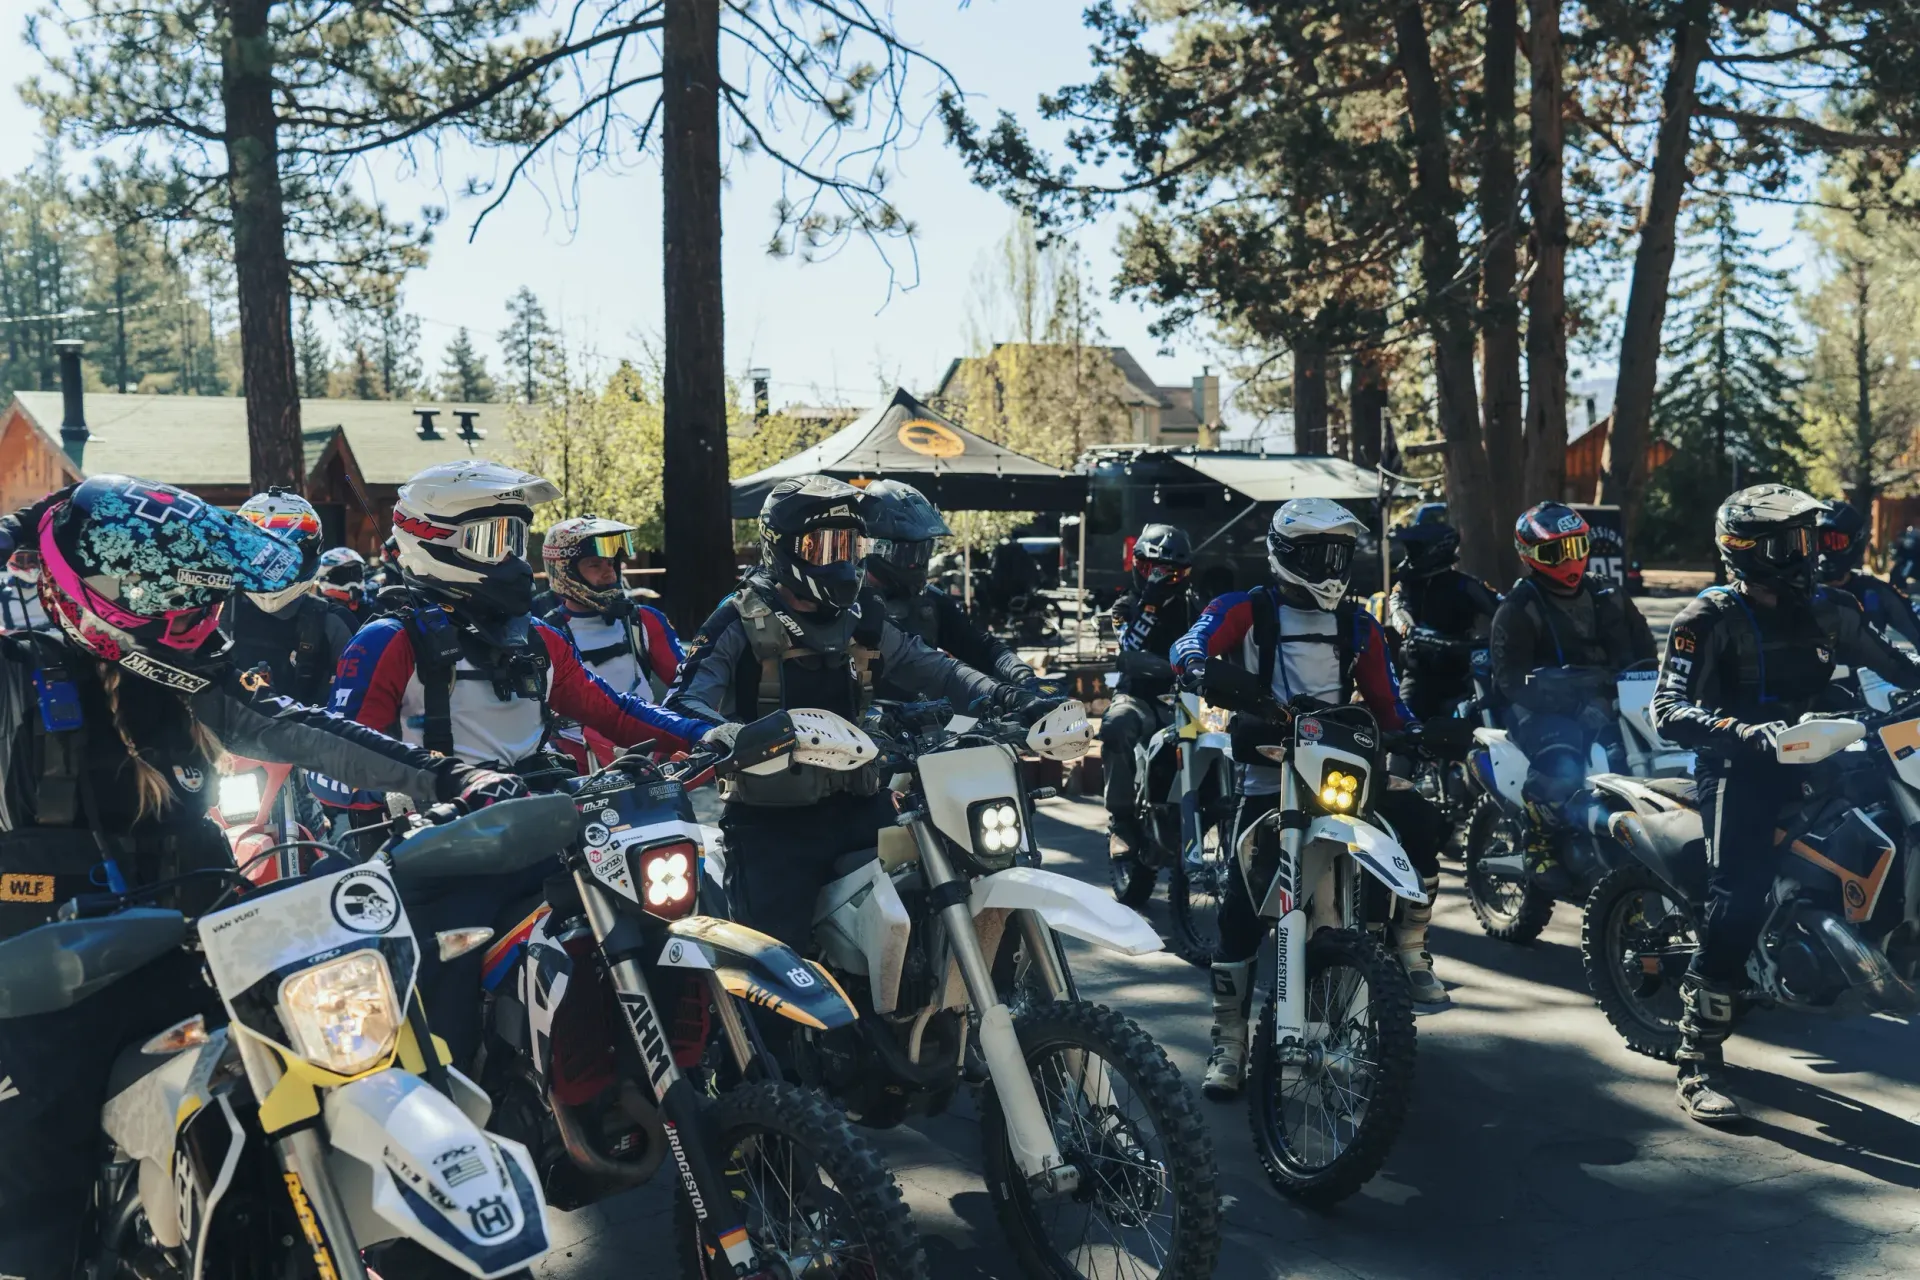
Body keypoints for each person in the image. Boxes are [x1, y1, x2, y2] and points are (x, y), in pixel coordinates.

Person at [0, 475, 525, 1279]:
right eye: (178, 601)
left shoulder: (180, 662)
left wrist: (448, 777)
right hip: (45, 963)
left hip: (197, 927)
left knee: (336, 1047)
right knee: (39, 1154)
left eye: (202, 601)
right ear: (111, 592)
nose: (196, 619)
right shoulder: (14, 666)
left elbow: (292, 725)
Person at [666, 475, 1044, 955]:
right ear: (782, 547)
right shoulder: (739, 617)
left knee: (934, 914)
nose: (841, 561)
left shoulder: (863, 615)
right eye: (824, 547)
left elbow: (937, 668)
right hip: (773, 826)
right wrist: (731, 735)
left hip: (865, 806)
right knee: (778, 968)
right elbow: (684, 702)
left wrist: (1009, 697)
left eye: (849, 546)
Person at [1651, 485, 1920, 1123]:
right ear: (1747, 549)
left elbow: (1900, 665)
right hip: (1739, 767)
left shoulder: (1832, 609)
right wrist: (1744, 733)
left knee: (1892, 828)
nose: (1807, 552)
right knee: (1738, 895)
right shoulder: (1706, 619)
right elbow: (1667, 708)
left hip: (1825, 752)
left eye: (1809, 538)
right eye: (1790, 542)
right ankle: (1697, 1054)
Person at [1173, 498, 1452, 1098]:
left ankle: (1411, 946)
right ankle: (1229, 1041)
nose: (1331, 567)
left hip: (1343, 775)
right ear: (1284, 555)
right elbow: (1191, 643)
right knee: (1240, 913)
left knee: (1423, 821)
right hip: (1270, 778)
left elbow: (1388, 705)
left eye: (1339, 555)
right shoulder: (1245, 609)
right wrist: (1199, 667)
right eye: (1317, 554)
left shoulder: (1359, 625)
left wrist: (1420, 733)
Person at [325, 461, 707, 777]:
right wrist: (428, 788)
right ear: (430, 540)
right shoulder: (389, 642)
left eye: (516, 539)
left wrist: (703, 735)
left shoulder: (537, 638)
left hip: (542, 825)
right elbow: (337, 768)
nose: (512, 558)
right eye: (491, 542)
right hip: (438, 836)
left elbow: (616, 712)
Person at [1489, 501, 1656, 887]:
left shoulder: (1610, 594)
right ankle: (1538, 843)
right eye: (1555, 552)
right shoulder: (1518, 608)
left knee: (1650, 764)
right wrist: (1564, 697)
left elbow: (1646, 653)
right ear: (1530, 556)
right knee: (1563, 765)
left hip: (1613, 704)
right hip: (1541, 709)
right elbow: (1512, 679)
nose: (1569, 560)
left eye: (1576, 547)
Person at [861, 479, 1036, 698]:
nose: (916, 565)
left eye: (923, 552)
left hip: (925, 716)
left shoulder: (930, 603)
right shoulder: (847, 606)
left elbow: (981, 648)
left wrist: (1023, 677)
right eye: (908, 554)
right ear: (874, 548)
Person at [540, 514, 685, 766]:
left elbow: (687, 685)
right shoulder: (547, 633)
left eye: (611, 563)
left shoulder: (644, 621)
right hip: (574, 758)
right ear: (565, 571)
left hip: (649, 751)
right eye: (595, 565)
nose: (609, 573)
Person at [1101, 523, 1203, 867]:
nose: (1158, 579)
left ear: (1184, 574)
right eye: (1150, 570)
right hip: (1139, 698)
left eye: (1168, 573)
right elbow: (1129, 645)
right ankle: (1121, 821)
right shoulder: (1125, 606)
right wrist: (1150, 604)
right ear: (1137, 566)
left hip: (1187, 701)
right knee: (1115, 725)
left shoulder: (1193, 607)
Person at [223, 489, 356, 708]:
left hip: (310, 729)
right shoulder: (214, 614)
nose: (273, 571)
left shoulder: (333, 624)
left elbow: (359, 706)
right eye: (262, 557)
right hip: (230, 729)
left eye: (286, 559)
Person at [1386, 516, 1501, 719]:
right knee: (1401, 722)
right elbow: (1397, 610)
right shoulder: (1405, 585)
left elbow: (1504, 610)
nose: (1409, 557)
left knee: (1482, 719)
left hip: (1461, 677)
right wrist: (1413, 631)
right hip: (1418, 676)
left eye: (1415, 550)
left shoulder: (1465, 585)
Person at [1816, 501, 1920, 648]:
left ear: (1856, 541)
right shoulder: (1794, 591)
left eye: (1835, 542)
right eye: (1817, 542)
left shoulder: (1878, 592)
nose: (1824, 550)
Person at [317, 545, 373, 627]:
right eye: (342, 576)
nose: (352, 583)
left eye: (356, 574)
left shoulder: (372, 603)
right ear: (323, 577)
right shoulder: (318, 611)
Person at [0, 548, 50, 632]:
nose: (30, 566)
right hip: (13, 638)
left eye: (35, 559)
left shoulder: (54, 590)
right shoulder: (2, 593)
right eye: (20, 560)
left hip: (53, 636)